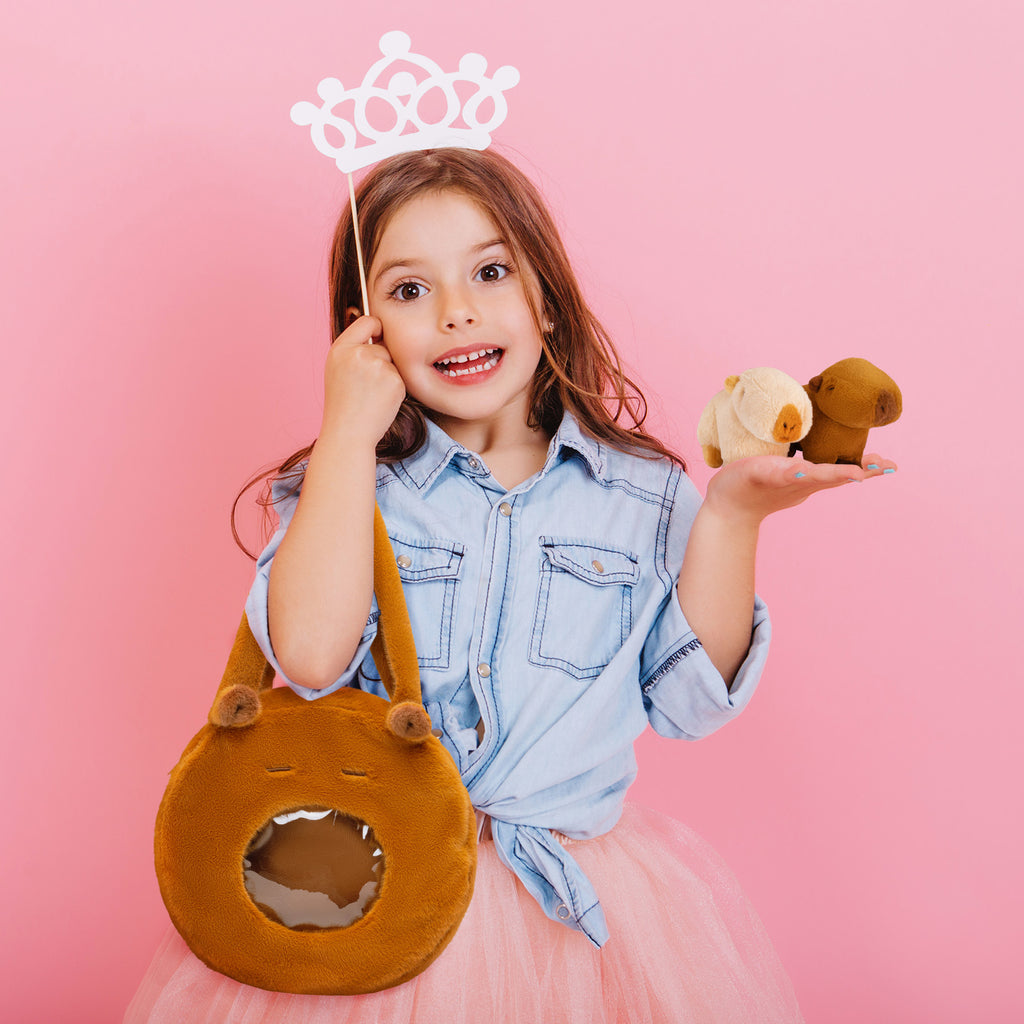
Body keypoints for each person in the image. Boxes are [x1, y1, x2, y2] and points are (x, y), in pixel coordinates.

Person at [125, 147, 895, 1023]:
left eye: (490, 272)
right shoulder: (344, 487)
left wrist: (729, 520)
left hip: (564, 905)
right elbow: (307, 656)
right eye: (410, 291)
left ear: (547, 299)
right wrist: (346, 432)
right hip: (377, 888)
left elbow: (690, 707)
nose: (457, 313)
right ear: (363, 332)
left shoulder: (641, 495)